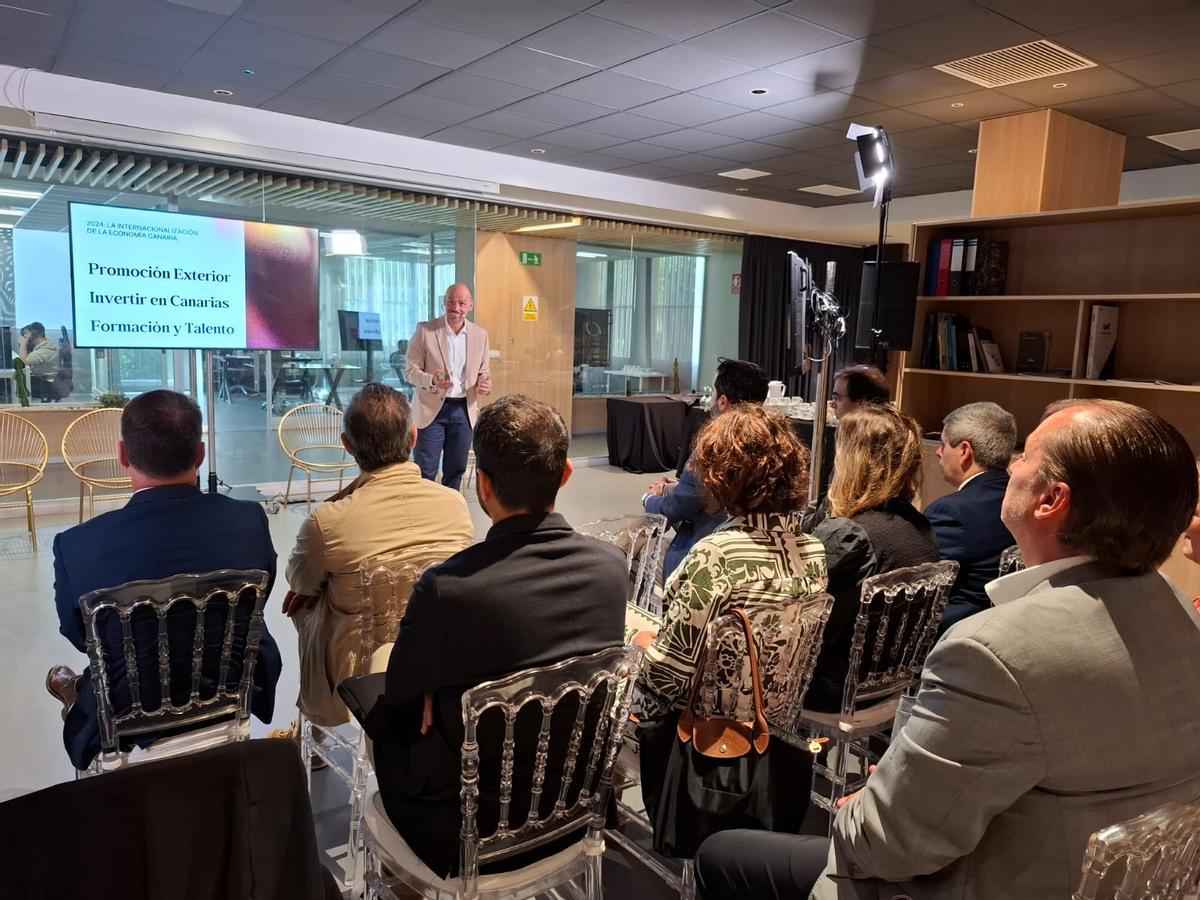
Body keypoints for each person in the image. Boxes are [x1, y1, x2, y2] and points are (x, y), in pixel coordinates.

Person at [694, 399, 1200, 900]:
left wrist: (872, 801)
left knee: (722, 854)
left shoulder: (997, 651)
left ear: (1051, 500)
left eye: (1024, 456)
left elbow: (886, 846)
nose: (1010, 465)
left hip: (963, 881)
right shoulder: (1182, 615)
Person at [366, 395, 627, 877]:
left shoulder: (450, 588)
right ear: (566, 473)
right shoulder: (612, 569)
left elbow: (401, 693)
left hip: (469, 830)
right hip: (574, 805)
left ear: (482, 485)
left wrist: (430, 688)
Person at [46, 390, 282, 770]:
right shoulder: (248, 522)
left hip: (127, 710)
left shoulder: (77, 546)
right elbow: (258, 602)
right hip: (229, 688)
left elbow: (82, 636)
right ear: (201, 454)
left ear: (123, 455)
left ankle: (74, 692)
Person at [274, 383, 474, 734]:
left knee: (307, 601)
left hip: (357, 662)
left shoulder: (329, 521)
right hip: (433, 650)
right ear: (413, 438)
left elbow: (299, 582)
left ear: (347, 444)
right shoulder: (454, 505)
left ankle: (314, 724)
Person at [634, 405, 828, 721]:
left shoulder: (717, 556)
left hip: (704, 730)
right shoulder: (814, 553)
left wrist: (638, 647)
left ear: (721, 476)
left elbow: (665, 678)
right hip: (772, 723)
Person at [807, 403, 939, 712]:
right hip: (891, 684)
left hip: (832, 688)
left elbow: (804, 621)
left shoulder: (850, 535)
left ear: (853, 462)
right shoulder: (921, 527)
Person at [642, 358, 769, 579]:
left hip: (710, 563)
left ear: (722, 401)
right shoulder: (778, 448)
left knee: (630, 548)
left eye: (712, 392)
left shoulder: (713, 450)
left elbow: (674, 509)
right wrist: (680, 486)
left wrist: (649, 498)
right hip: (763, 561)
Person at [925, 401, 1017, 635]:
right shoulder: (1019, 499)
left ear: (965, 451)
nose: (938, 452)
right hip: (1003, 623)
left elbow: (921, 585)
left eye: (944, 444)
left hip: (953, 634)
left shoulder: (950, 512)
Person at [405, 283, 491, 490]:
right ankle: (425, 517)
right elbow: (410, 372)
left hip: (464, 410)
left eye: (461, 303)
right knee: (426, 470)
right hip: (431, 409)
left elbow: (484, 372)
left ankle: (448, 514)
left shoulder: (480, 335)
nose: (456, 307)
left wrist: (484, 383)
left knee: (456, 470)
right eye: (451, 302)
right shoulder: (426, 330)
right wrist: (432, 381)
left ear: (470, 305)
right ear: (444, 302)